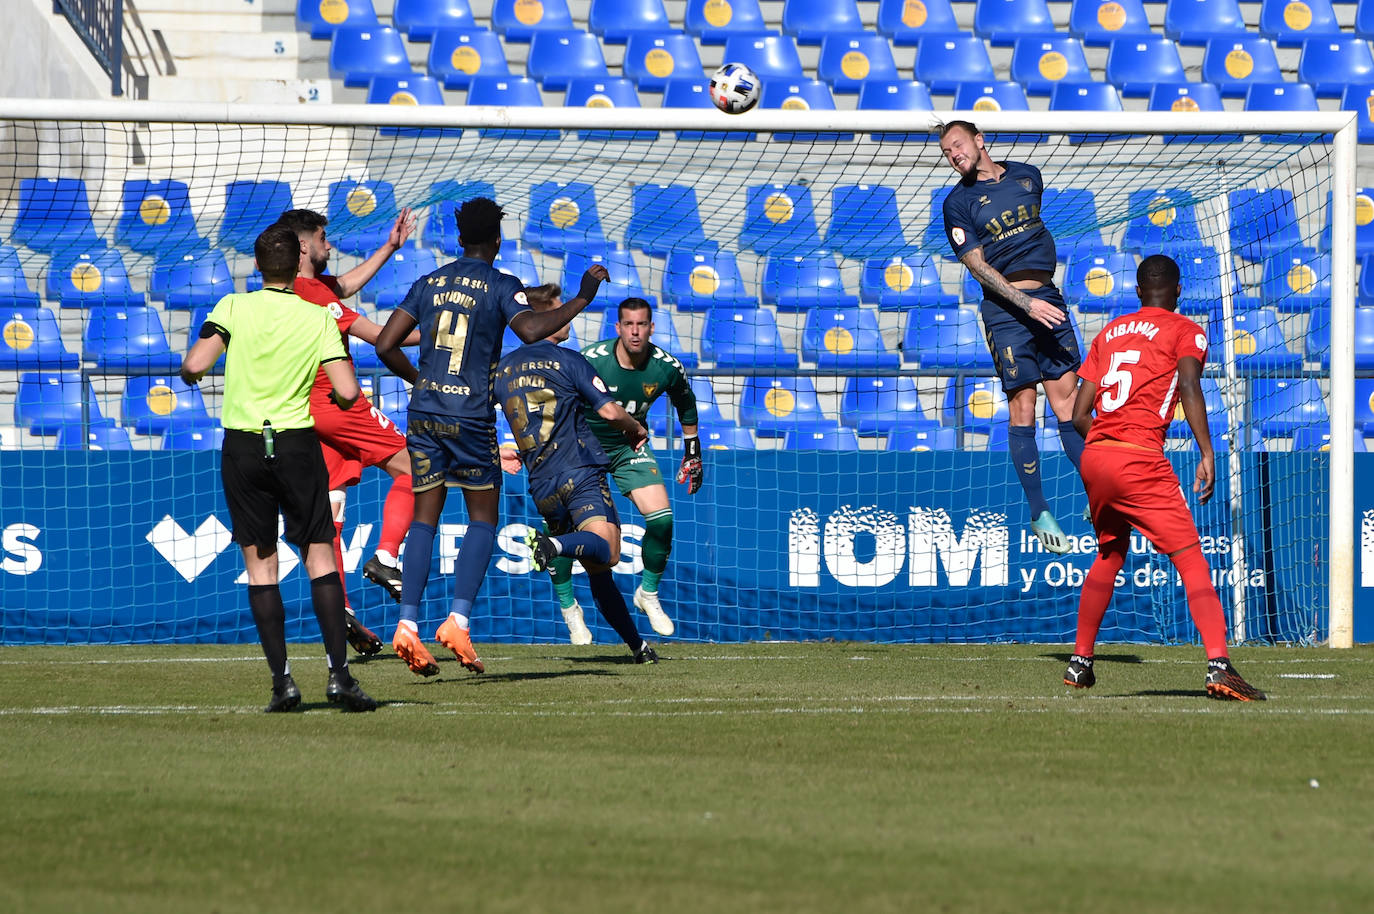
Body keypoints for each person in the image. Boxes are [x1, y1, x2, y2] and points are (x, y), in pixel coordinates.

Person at [374, 196, 610, 677]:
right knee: (482, 518)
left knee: (424, 519)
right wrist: (582, 298)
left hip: (425, 415)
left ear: (460, 239)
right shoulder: (501, 284)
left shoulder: (428, 282)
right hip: (470, 416)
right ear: (497, 242)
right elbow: (532, 330)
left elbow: (384, 343)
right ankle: (457, 622)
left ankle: (407, 625)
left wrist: (420, 381)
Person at [179, 224, 376, 712]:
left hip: (244, 446)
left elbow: (194, 365)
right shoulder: (317, 316)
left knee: (261, 566)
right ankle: (339, 677)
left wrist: (204, 368)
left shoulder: (232, 307)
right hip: (296, 445)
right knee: (320, 558)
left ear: (257, 265)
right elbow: (347, 391)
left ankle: (282, 683)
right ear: (296, 265)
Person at [1065, 254, 1264, 701]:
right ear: (1178, 291)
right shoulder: (1186, 331)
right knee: (1191, 560)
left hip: (1096, 453)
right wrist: (1206, 451)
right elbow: (1189, 386)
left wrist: (1107, 454)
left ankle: (1080, 662)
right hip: (1139, 457)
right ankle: (1219, 666)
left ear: (1138, 292)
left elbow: (1077, 415)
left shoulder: (1109, 333)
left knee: (1110, 553)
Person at [273, 207, 421, 657]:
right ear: (303, 245)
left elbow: (344, 285)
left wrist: (389, 247)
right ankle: (387, 557)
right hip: (337, 402)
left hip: (304, 409)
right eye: (323, 238)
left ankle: (340, 608)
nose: (330, 244)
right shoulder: (314, 294)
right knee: (419, 468)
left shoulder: (295, 288)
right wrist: (449, 329)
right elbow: (382, 337)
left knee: (330, 514)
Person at [939, 120, 1087, 554]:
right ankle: (1039, 510)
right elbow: (978, 267)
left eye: (958, 145)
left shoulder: (1028, 176)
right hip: (1006, 312)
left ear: (979, 140)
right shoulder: (957, 204)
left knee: (1070, 404)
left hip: (1048, 299)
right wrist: (1026, 304)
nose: (954, 155)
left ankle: (1099, 493)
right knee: (1024, 404)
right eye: (947, 152)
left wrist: (1039, 300)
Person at [494, 293, 660, 663]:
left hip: (541, 485)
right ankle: (554, 546)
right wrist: (635, 428)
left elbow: (475, 421)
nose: (568, 315)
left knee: (599, 573)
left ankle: (638, 647)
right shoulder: (569, 360)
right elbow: (610, 412)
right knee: (608, 552)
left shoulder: (503, 368)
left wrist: (495, 451)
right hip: (579, 470)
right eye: (561, 310)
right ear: (546, 319)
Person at [534, 294, 700, 644]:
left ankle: (648, 593)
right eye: (629, 324)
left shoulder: (666, 366)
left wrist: (692, 451)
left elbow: (686, 403)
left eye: (641, 324)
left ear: (652, 327)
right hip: (580, 449)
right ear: (618, 328)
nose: (635, 331)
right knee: (560, 529)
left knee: (662, 520)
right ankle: (569, 608)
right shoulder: (592, 359)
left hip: (628, 447)